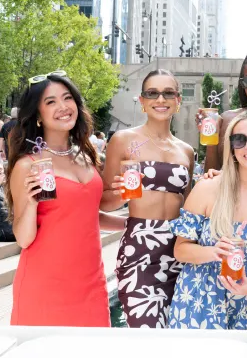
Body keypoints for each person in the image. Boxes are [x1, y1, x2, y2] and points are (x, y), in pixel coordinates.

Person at [6, 70, 126, 327]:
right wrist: (30, 203)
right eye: (50, 102)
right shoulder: (28, 165)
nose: (63, 107)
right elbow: (23, 238)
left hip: (91, 282)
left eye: (67, 98)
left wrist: (131, 225)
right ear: (38, 115)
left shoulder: (86, 156)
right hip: (46, 285)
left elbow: (85, 215)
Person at [168, 110, 247, 330]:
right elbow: (180, 250)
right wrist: (212, 252)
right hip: (198, 300)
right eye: (239, 140)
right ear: (232, 148)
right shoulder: (207, 189)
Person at [101, 69, 195, 328]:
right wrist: (120, 194)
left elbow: (189, 207)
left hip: (180, 248)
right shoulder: (123, 141)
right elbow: (102, 200)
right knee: (146, 331)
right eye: (152, 93)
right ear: (141, 101)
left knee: (178, 334)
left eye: (168, 93)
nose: (160, 99)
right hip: (140, 248)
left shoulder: (186, 151)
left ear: (178, 100)